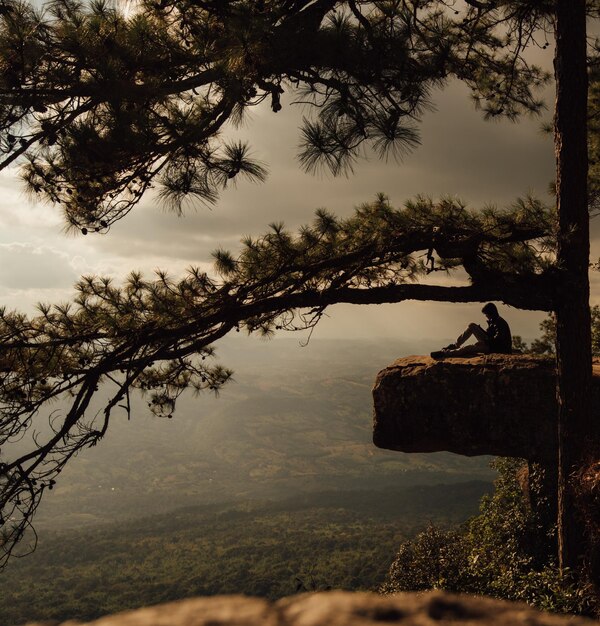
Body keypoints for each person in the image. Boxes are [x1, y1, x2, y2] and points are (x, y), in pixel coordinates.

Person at [430, 303, 512, 359]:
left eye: (486, 314)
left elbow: (498, 340)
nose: (486, 316)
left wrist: (484, 342)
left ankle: (445, 353)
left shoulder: (500, 323)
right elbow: (490, 335)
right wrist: (481, 330)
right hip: (491, 343)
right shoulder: (493, 320)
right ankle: (456, 345)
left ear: (490, 313)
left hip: (496, 348)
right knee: (472, 325)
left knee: (468, 348)